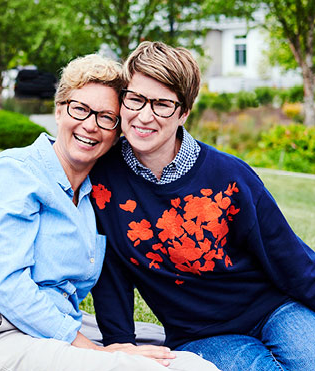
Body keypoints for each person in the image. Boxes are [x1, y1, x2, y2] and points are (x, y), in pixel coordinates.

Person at [0, 54, 218, 371]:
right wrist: (95, 351)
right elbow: (7, 286)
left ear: (117, 131)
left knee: (192, 365)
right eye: (79, 109)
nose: (90, 126)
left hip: (48, 339)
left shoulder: (96, 196)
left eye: (106, 117)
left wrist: (116, 344)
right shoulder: (15, 172)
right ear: (58, 109)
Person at [89, 41, 315, 371]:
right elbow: (110, 276)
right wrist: (121, 347)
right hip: (201, 334)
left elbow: (288, 256)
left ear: (184, 112)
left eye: (162, 104)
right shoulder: (104, 179)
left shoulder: (230, 175)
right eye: (135, 99)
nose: (144, 116)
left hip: (274, 309)